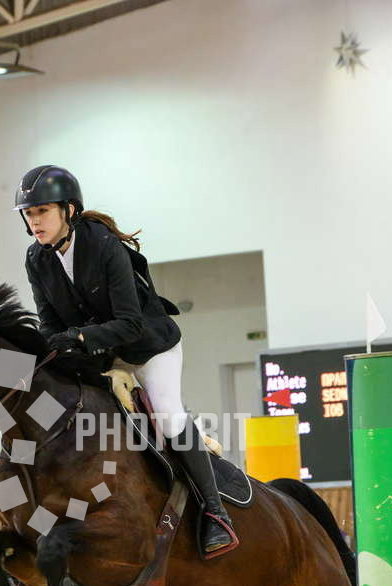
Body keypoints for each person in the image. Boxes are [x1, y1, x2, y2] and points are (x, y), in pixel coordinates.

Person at [14, 165, 238, 556]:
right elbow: (49, 323)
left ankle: (215, 513)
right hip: (99, 356)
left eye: (43, 211)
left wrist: (79, 337)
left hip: (147, 347)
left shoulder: (103, 245)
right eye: (29, 214)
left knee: (167, 415)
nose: (35, 221)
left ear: (69, 210)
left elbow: (130, 323)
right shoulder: (36, 258)